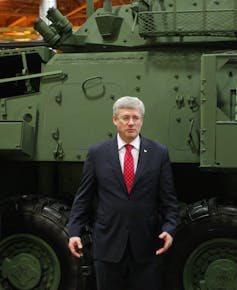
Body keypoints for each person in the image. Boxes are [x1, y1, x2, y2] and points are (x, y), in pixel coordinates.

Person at [68, 96, 179, 290]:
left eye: (136, 118)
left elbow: (169, 200)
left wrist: (169, 229)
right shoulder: (97, 153)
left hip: (146, 247)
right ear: (115, 120)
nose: (131, 123)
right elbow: (83, 198)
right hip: (107, 246)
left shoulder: (158, 153)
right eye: (125, 117)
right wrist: (74, 232)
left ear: (142, 121)